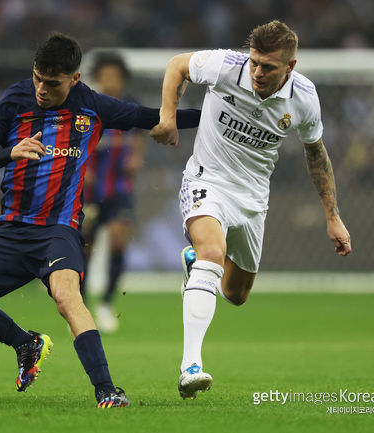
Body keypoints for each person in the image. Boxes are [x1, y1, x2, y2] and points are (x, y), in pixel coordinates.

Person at [0, 32, 201, 408]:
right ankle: (25, 343)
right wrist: (11, 151)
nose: (41, 88)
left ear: (74, 79)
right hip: (12, 230)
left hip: (59, 232)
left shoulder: (92, 105)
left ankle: (106, 389)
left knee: (67, 297)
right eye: (38, 78)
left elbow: (147, 117)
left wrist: (212, 119)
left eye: (51, 83)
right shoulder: (14, 100)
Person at [150, 20, 352, 400]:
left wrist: (332, 215)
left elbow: (316, 153)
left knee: (236, 294)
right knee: (213, 254)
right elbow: (178, 64)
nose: (257, 72)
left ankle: (196, 264)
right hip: (206, 180)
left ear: (289, 67)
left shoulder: (304, 97)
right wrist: (167, 116)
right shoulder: (227, 66)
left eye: (268, 67)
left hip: (254, 197)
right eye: (255, 62)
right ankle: (190, 366)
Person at [82, 53, 146, 333]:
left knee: (119, 240)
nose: (109, 81)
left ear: (121, 78)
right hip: (88, 190)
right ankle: (81, 304)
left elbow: (142, 133)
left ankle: (107, 303)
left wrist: (137, 158)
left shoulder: (130, 107)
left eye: (114, 75)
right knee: (85, 247)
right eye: (104, 75)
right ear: (98, 78)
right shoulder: (88, 107)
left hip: (120, 187)